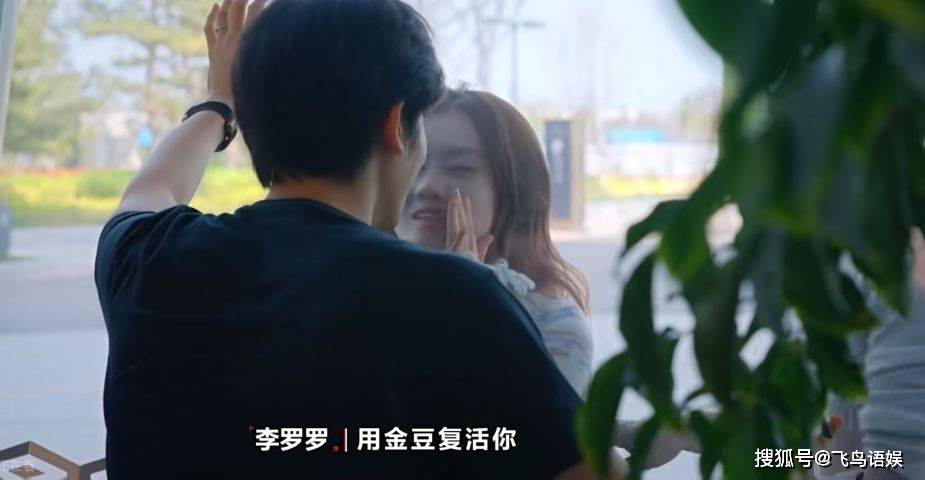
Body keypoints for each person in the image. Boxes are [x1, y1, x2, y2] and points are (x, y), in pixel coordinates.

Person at [93, 0, 625, 478]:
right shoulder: (459, 300)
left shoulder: (146, 260)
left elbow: (152, 187)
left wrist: (219, 102)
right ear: (397, 124)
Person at [396, 89, 594, 397]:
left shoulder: (554, 325)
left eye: (460, 168)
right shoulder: (368, 293)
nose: (426, 186)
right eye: (417, 165)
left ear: (515, 190)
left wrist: (469, 304)